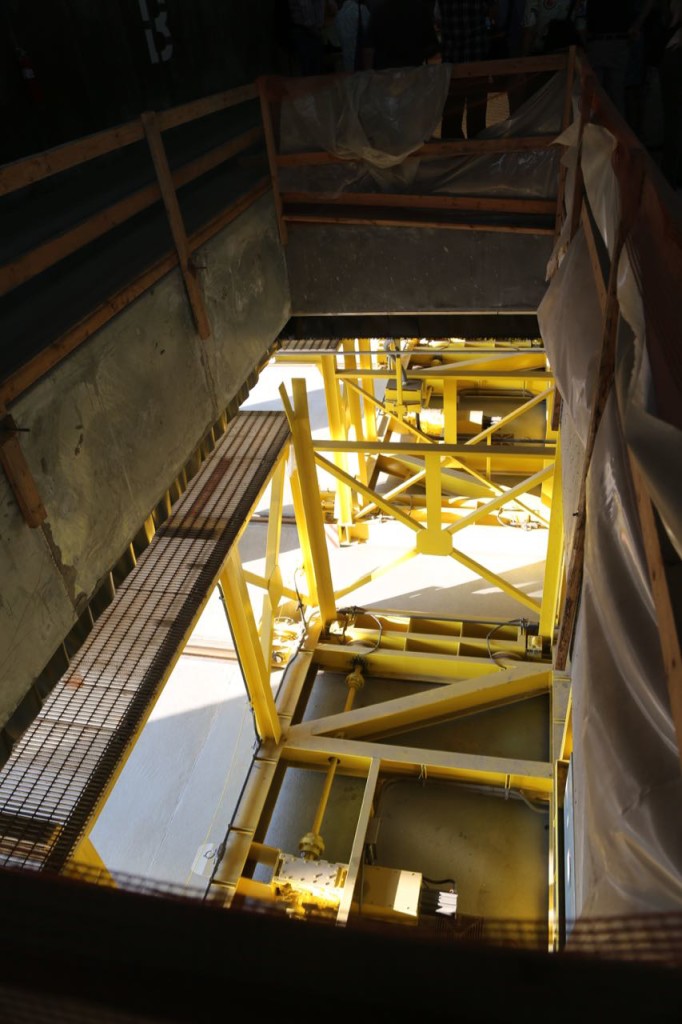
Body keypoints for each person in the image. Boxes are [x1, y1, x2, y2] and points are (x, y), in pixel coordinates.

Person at [582, 0, 656, 115]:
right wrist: (637, 24)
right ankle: (617, 130)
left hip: (599, 39)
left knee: (597, 95)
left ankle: (597, 129)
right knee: (614, 95)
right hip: (617, 39)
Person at [437, 1, 492, 138]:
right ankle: (476, 154)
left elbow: (437, 19)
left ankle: (453, 154)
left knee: (452, 118)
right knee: (477, 116)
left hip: (452, 64)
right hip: (477, 61)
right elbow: (492, 12)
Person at [367, 0, 441, 70]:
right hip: (413, 70)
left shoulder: (378, 10)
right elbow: (432, 46)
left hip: (383, 71)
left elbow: (369, 46)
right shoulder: (420, 9)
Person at [661, 0, 682, 186]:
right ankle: (671, 174)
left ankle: (670, 174)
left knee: (673, 120)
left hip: (674, 51)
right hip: (674, 51)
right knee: (673, 120)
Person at [288, 0, 339, 75]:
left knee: (316, 68)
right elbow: (307, 13)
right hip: (305, 31)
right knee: (310, 69)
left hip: (315, 30)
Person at [334, 0, 372, 71]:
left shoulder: (339, 15)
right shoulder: (361, 10)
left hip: (347, 61)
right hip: (362, 60)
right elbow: (370, 33)